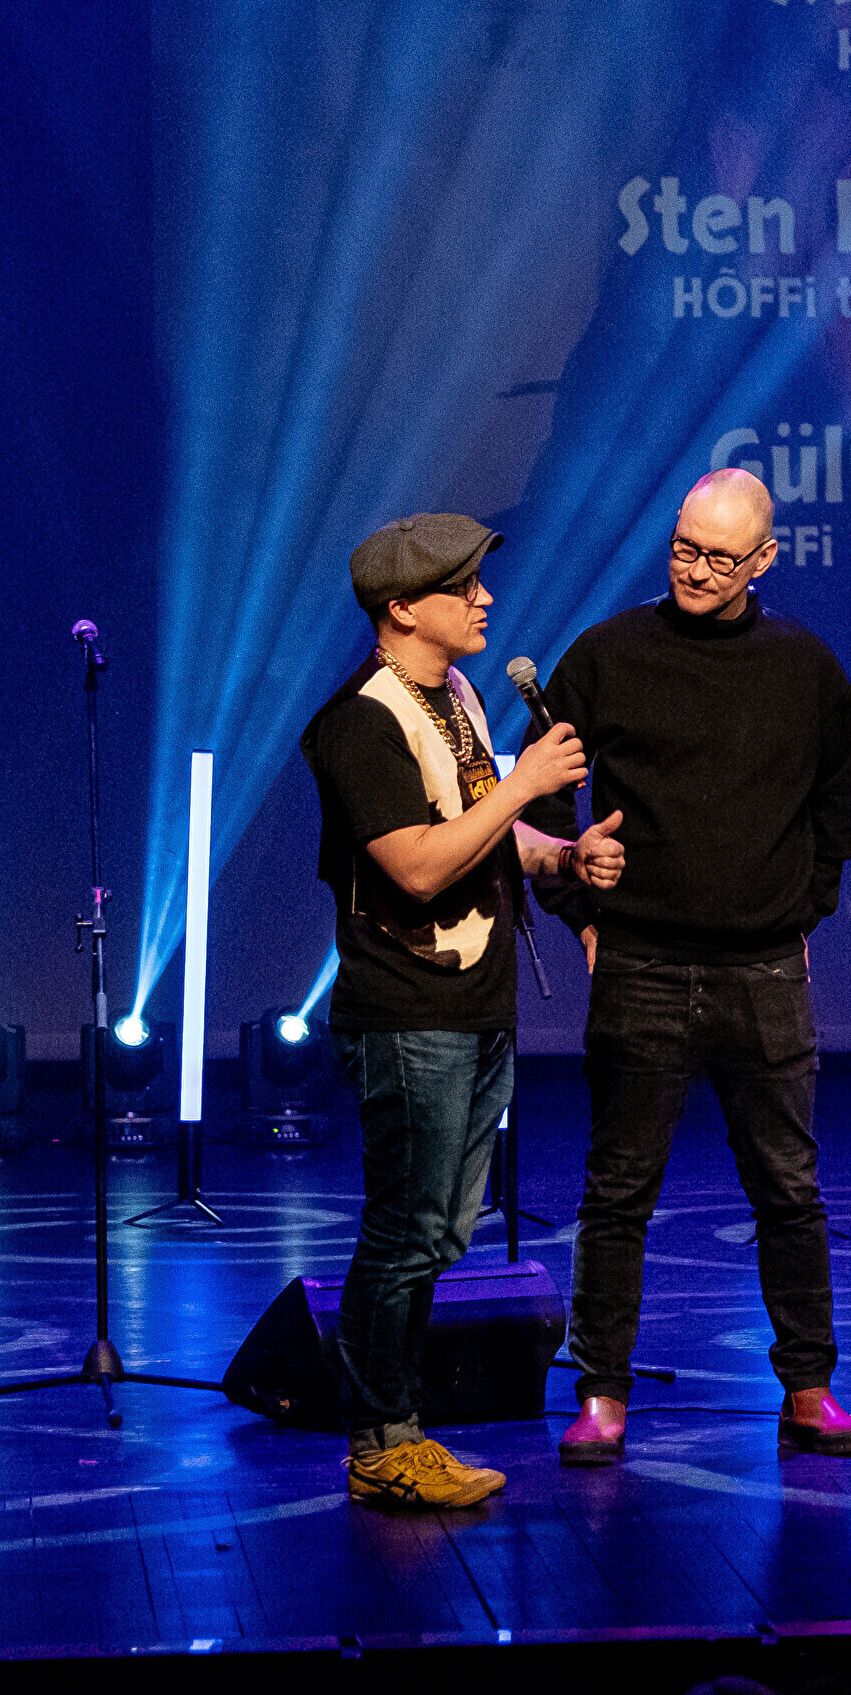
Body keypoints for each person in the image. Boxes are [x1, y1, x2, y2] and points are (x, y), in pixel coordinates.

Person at [539, 468, 851, 1465]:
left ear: (763, 558)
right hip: (639, 961)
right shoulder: (607, 655)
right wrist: (579, 910)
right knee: (617, 1193)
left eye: (719, 558)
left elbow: (833, 810)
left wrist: (802, 911)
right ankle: (602, 1394)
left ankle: (809, 1389)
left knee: (788, 1191)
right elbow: (539, 797)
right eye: (683, 547)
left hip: (763, 971)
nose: (693, 570)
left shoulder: (805, 668)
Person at [302, 513, 624, 1508]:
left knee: (440, 1233)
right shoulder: (362, 721)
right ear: (403, 607)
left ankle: (393, 1432)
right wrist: (525, 784)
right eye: (464, 585)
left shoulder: (457, 694)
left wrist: (559, 854)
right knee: (406, 1233)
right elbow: (415, 863)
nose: (485, 599)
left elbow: (479, 828)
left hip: (474, 1002)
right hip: (408, 1011)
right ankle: (382, 1441)